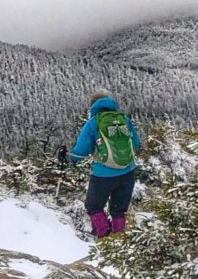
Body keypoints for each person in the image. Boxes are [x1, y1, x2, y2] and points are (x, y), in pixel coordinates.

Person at [58, 91, 142, 238]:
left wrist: (69, 159)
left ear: (94, 107)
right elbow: (137, 143)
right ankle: (119, 240)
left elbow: (82, 152)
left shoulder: (93, 123)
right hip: (128, 172)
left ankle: (104, 236)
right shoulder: (124, 120)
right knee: (118, 210)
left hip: (103, 175)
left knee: (93, 206)